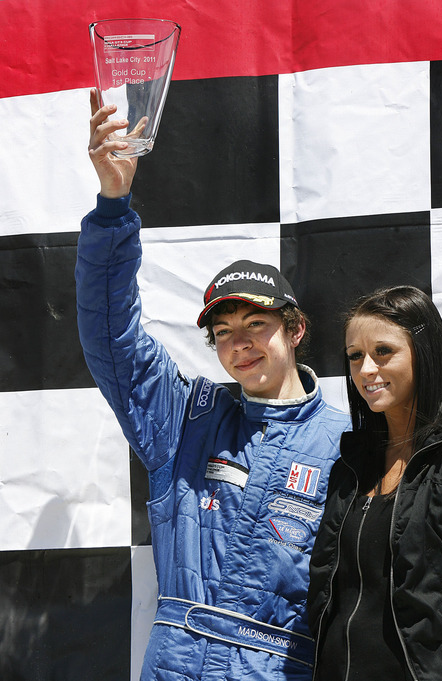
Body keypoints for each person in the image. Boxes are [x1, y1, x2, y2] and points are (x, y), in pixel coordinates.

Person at [75, 90, 350, 681]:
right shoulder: (184, 419)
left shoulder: (348, 440)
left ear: (296, 329)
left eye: (257, 325)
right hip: (174, 663)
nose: (240, 343)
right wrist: (114, 205)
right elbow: (109, 333)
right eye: (223, 332)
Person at [307, 285, 442, 681]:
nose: (366, 370)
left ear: (424, 354)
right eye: (355, 356)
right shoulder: (349, 470)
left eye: (383, 351)